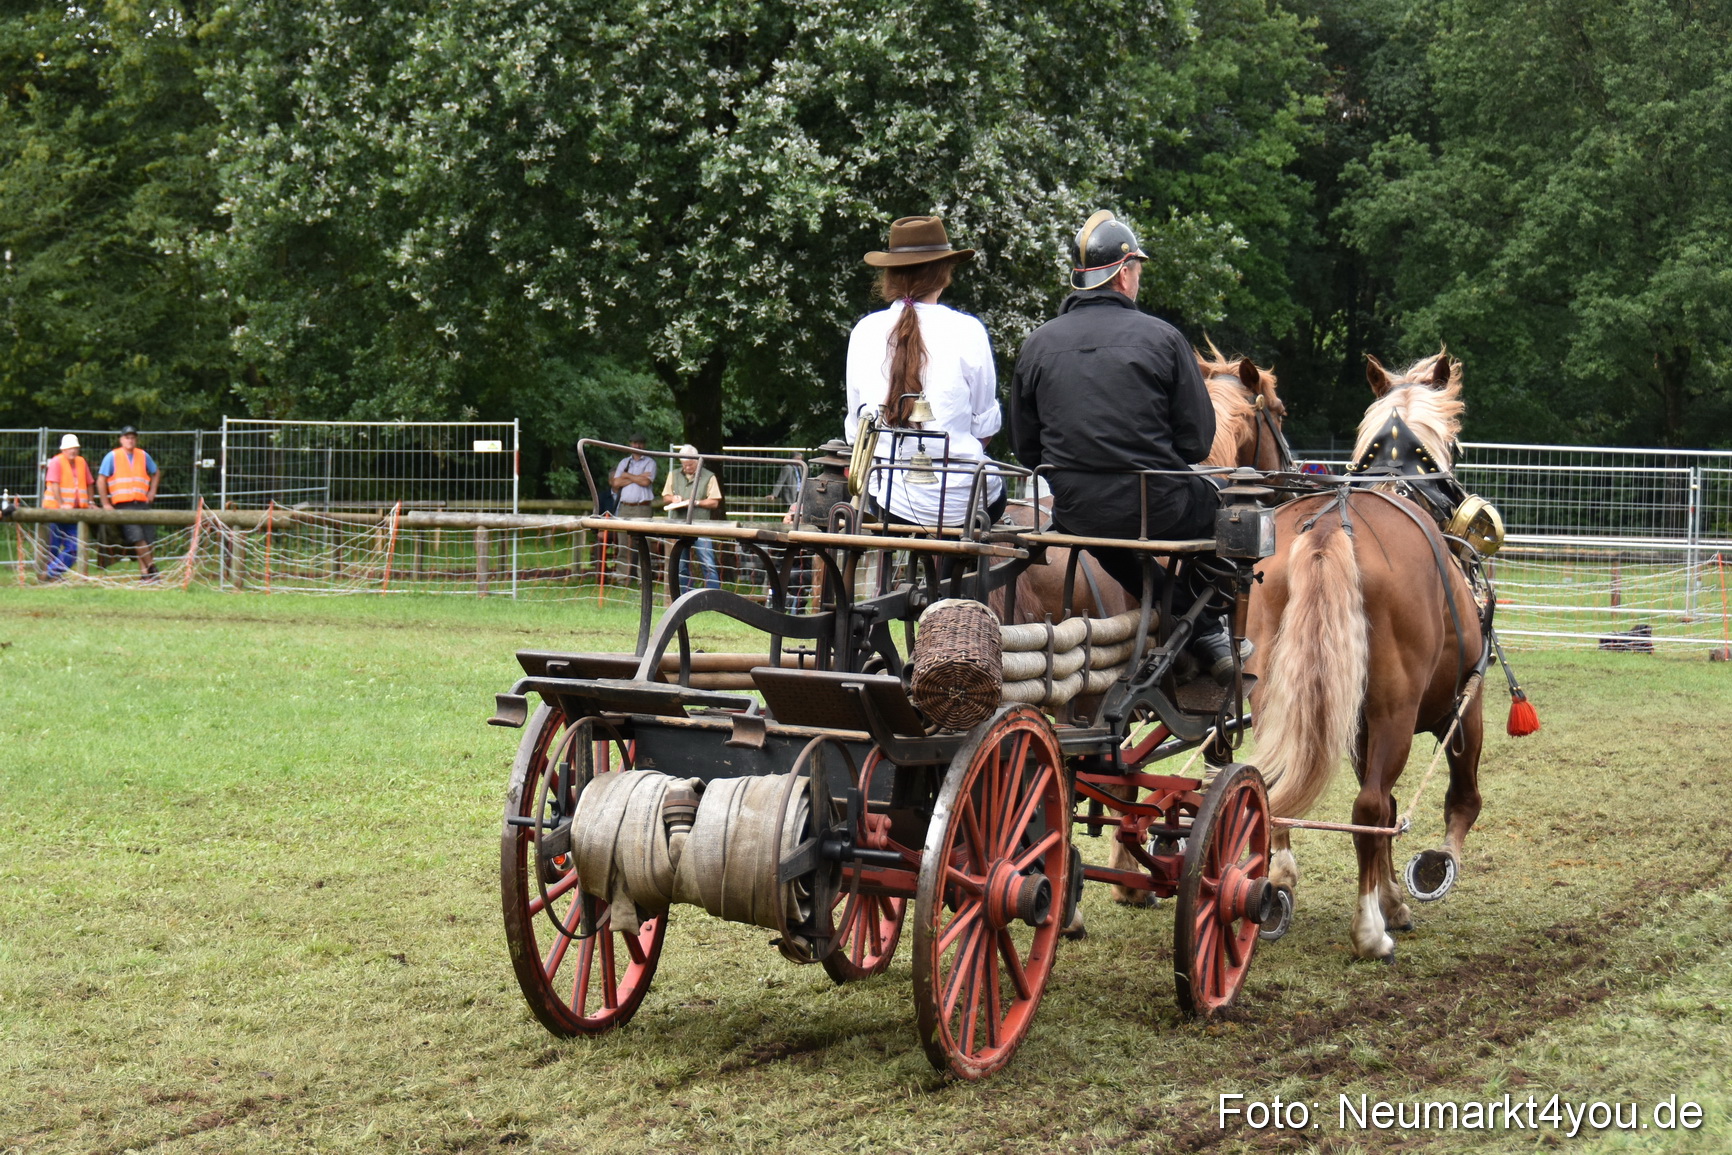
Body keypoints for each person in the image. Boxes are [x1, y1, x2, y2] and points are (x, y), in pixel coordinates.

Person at [1010, 210, 1242, 682]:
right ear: (1122, 274)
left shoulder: (1037, 344)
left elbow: (1026, 450)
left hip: (1075, 511)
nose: (1138, 279)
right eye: (1138, 269)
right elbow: (1197, 443)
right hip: (1158, 507)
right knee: (1232, 514)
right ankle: (1206, 625)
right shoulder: (1164, 338)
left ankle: (1192, 625)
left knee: (1112, 546)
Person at [845, 215, 1005, 528]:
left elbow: (857, 429)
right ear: (943, 274)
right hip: (963, 502)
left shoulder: (864, 331)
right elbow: (984, 427)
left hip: (889, 500)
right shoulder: (968, 330)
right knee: (996, 489)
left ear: (890, 276)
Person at [96, 426, 161, 580]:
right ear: (121, 440)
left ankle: (145, 575)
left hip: (142, 502)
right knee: (137, 538)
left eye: (132, 438)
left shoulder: (143, 455)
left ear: (136, 440)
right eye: (127, 437)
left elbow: (156, 472)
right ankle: (152, 569)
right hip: (123, 504)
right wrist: (106, 503)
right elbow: (101, 480)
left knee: (147, 539)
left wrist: (152, 491)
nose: (130, 440)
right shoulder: (112, 456)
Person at [661, 445, 722, 592]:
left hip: (701, 526)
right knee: (681, 564)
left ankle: (713, 596)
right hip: (679, 525)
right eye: (684, 464)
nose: (687, 467)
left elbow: (714, 502)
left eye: (690, 464)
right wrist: (673, 499)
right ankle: (685, 596)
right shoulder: (673, 474)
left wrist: (696, 502)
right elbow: (665, 497)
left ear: (697, 461)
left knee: (708, 563)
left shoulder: (709, 476)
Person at [41, 434, 93, 579]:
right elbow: (55, 484)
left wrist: (90, 502)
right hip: (55, 512)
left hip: (75, 513)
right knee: (53, 547)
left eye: (75, 448)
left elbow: (89, 483)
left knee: (76, 547)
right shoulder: (57, 462)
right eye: (70, 448)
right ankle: (52, 576)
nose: (73, 451)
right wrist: (62, 504)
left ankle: (50, 573)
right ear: (63, 450)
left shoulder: (82, 462)